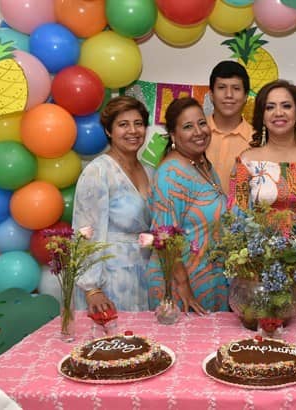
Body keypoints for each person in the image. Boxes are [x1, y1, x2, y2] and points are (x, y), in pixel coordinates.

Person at [147, 97, 228, 314]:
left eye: (202, 123)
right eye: (188, 127)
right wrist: (183, 285)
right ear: (173, 135)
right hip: (180, 286)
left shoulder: (202, 164)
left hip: (207, 277)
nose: (199, 131)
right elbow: (164, 237)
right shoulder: (171, 174)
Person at [73, 96, 153, 313]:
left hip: (144, 272)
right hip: (109, 277)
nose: (133, 131)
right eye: (123, 124)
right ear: (109, 131)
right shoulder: (98, 171)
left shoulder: (149, 170)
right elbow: (85, 230)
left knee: (142, 343)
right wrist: (91, 288)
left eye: (138, 124)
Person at [228, 79, 296, 217]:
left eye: (286, 106)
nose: (279, 112)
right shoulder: (246, 162)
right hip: (258, 238)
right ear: (262, 117)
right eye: (270, 107)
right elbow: (236, 221)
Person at [205, 61, 253, 193]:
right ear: (211, 95)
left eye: (236, 88)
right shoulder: (195, 134)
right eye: (221, 87)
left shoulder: (257, 140)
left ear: (246, 96)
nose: (229, 95)